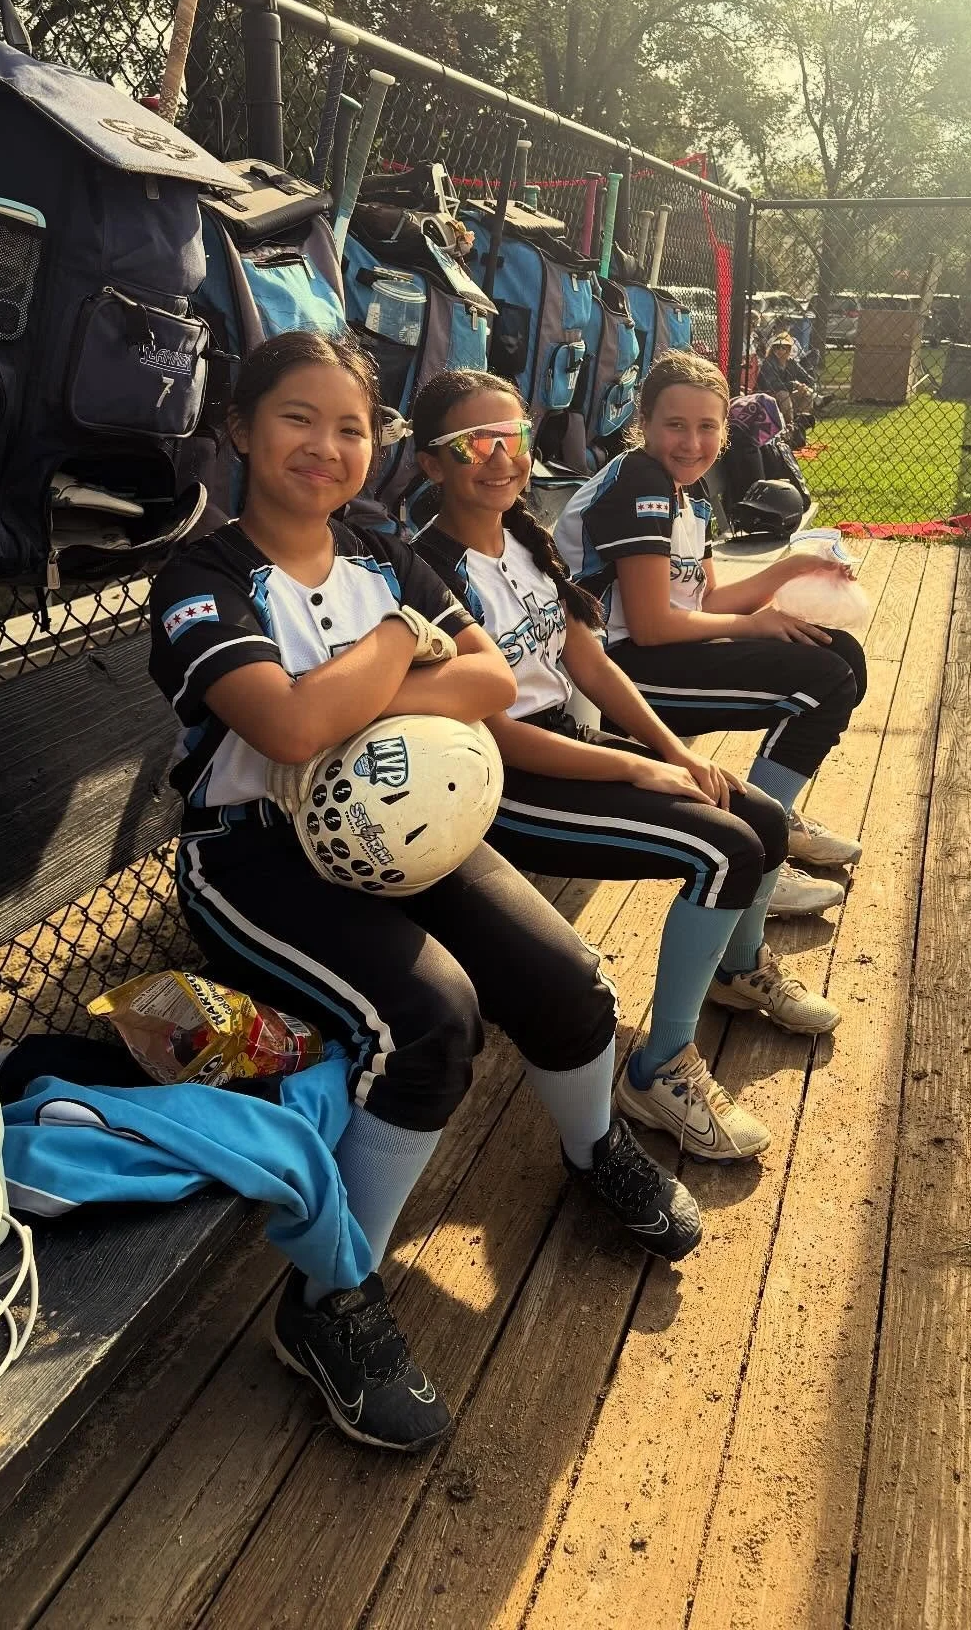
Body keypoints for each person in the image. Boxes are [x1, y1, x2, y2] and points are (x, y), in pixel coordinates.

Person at [146, 329, 701, 1455]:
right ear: (241, 431)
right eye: (297, 418)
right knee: (430, 1021)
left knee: (566, 984)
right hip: (256, 857)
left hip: (415, 830)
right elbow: (288, 728)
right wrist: (406, 638)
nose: (328, 444)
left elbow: (494, 677)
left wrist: (367, 670)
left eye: (353, 425)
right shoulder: (203, 577)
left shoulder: (380, 547)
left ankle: (595, 1148)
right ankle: (326, 1300)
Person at [410, 371, 842, 1165]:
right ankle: (659, 1070)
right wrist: (638, 774)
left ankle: (734, 977)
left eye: (516, 439)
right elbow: (494, 732)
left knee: (762, 821)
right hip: (497, 783)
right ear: (431, 463)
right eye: (475, 443)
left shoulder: (522, 540)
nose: (502, 458)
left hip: (570, 741)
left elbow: (594, 668)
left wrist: (671, 754)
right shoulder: (426, 571)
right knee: (725, 849)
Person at [553, 350, 868, 918]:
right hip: (605, 680)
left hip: (653, 653)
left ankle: (776, 817)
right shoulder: (640, 479)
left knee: (839, 651)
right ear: (643, 423)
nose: (691, 442)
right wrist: (756, 625)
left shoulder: (689, 491)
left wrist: (794, 567)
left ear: (725, 431)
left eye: (707, 426)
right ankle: (765, 845)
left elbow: (706, 601)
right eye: (674, 425)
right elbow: (649, 628)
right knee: (825, 679)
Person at [754, 332, 819, 438]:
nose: (779, 351)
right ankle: (788, 428)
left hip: (788, 394)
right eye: (776, 348)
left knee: (808, 393)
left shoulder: (792, 363)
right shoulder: (769, 363)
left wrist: (802, 386)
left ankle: (799, 426)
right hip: (769, 395)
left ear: (788, 349)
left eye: (783, 348)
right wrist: (793, 385)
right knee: (783, 394)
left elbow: (809, 379)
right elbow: (771, 385)